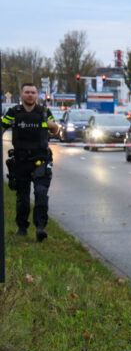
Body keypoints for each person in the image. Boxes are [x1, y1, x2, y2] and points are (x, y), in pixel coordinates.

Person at [2, 83, 61, 241]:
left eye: (33, 92)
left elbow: (56, 130)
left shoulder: (43, 112)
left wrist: (51, 125)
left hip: (40, 160)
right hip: (21, 161)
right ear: (22, 94)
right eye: (27, 92)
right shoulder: (14, 112)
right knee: (23, 198)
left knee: (41, 194)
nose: (30, 95)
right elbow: (2, 126)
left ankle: (40, 227)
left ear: (37, 95)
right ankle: (22, 228)